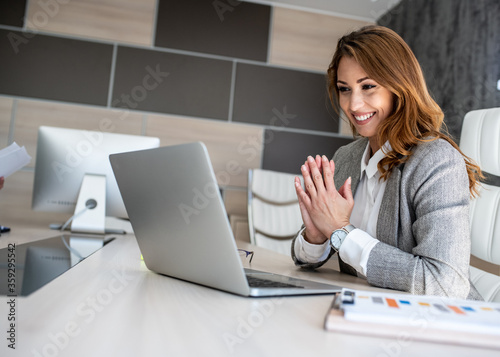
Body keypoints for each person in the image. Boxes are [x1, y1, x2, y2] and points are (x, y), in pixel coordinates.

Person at [291, 25, 483, 300]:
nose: (354, 105)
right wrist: (316, 235)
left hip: (442, 328)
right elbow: (304, 260)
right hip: (367, 312)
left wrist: (341, 232)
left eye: (368, 86)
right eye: (344, 89)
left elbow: (446, 285)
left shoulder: (436, 162)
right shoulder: (346, 158)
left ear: (399, 87)